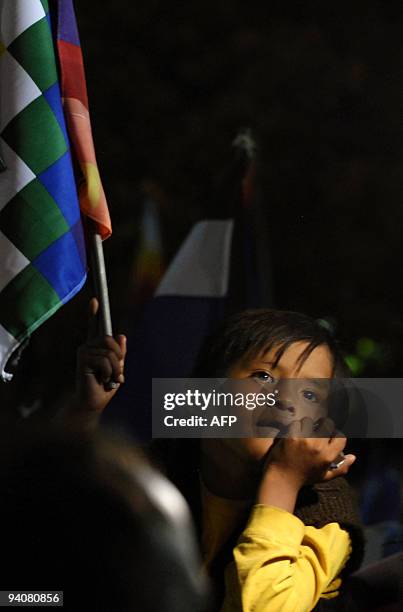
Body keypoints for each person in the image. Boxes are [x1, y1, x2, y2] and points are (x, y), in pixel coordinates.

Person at [72, 303, 364, 611]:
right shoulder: (162, 464)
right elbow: (55, 524)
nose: (286, 400)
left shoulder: (325, 514)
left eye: (309, 395)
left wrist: (282, 480)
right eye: (263, 376)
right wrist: (85, 411)